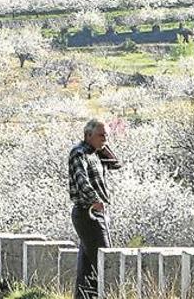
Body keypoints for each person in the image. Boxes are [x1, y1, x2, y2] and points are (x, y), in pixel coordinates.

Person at [69, 119, 123, 299]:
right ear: (87, 135)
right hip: (88, 213)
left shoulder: (96, 153)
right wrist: (95, 200)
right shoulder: (79, 153)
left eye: (106, 135)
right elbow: (81, 180)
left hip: (94, 212)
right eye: (101, 135)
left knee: (87, 266)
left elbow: (116, 163)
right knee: (105, 261)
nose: (104, 139)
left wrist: (103, 146)